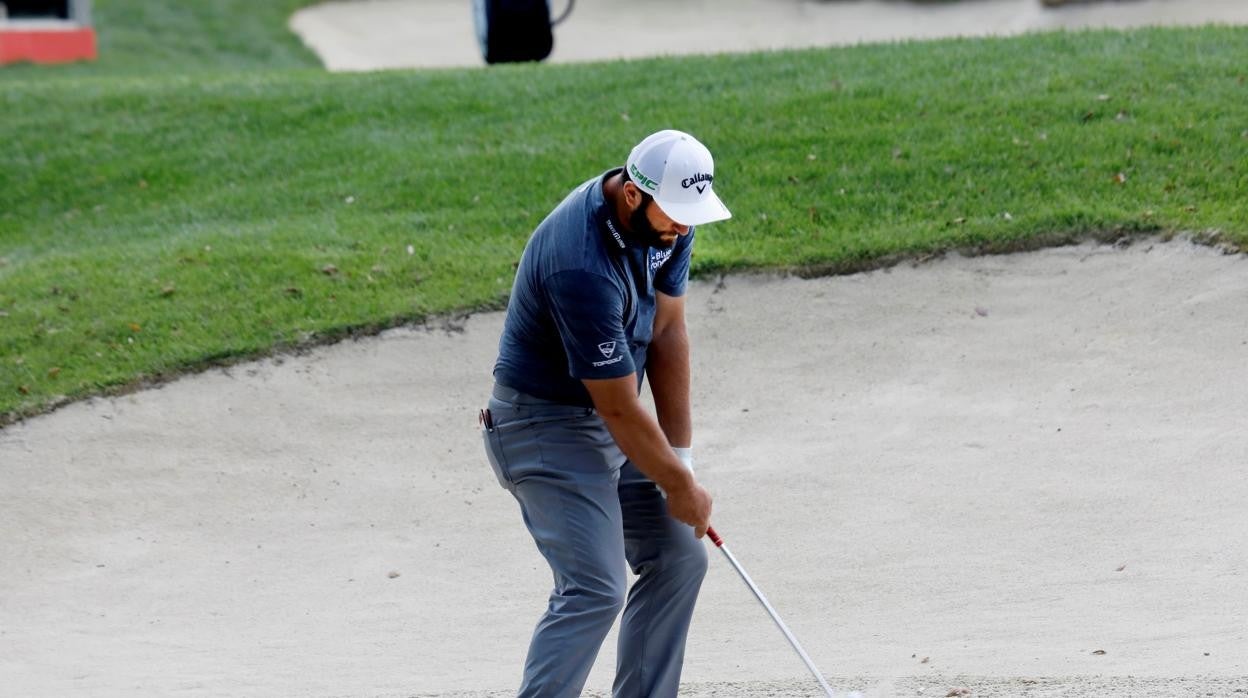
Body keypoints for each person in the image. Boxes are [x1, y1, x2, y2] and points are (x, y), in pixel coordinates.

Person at [481, 129, 732, 697]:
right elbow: (617, 405)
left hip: (606, 421)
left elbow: (668, 332)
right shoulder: (582, 266)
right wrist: (675, 484)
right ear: (632, 196)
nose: (686, 228)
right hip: (540, 429)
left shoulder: (668, 223)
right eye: (676, 214)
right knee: (595, 588)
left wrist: (681, 465)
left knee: (679, 558)